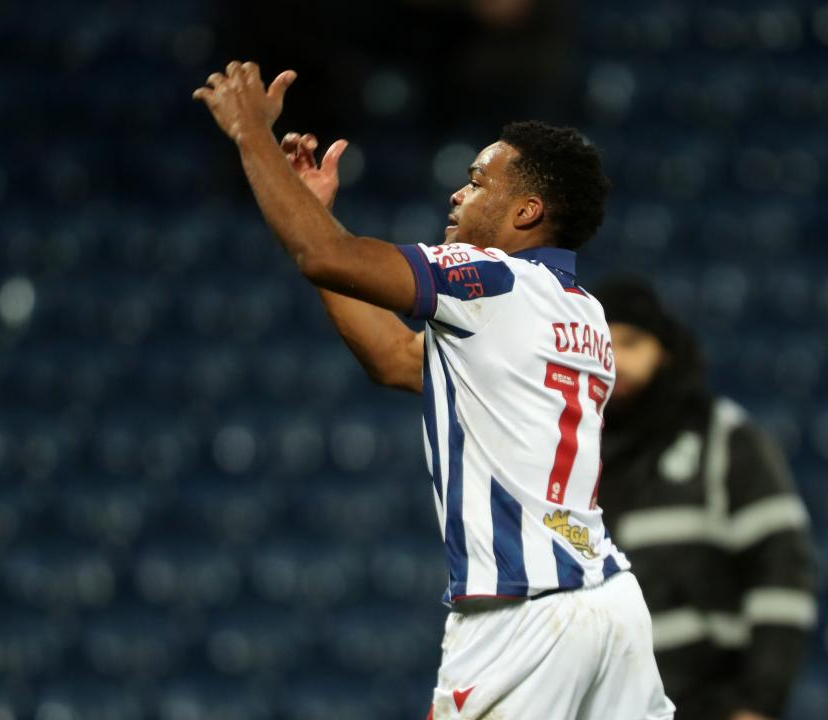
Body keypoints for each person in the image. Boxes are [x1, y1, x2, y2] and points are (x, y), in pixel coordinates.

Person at [193, 60, 675, 720]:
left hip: (523, 617)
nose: (457, 194)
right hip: (610, 606)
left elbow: (326, 255)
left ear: (527, 210)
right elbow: (395, 358)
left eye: (477, 182)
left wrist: (252, 135)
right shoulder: (582, 311)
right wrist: (312, 211)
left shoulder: (491, 280)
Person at [593, 277, 818, 720]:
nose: (616, 360)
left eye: (631, 342)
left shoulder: (726, 439)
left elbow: (782, 574)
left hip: (709, 705)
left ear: (666, 352)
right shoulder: (571, 449)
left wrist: (758, 702)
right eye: (604, 344)